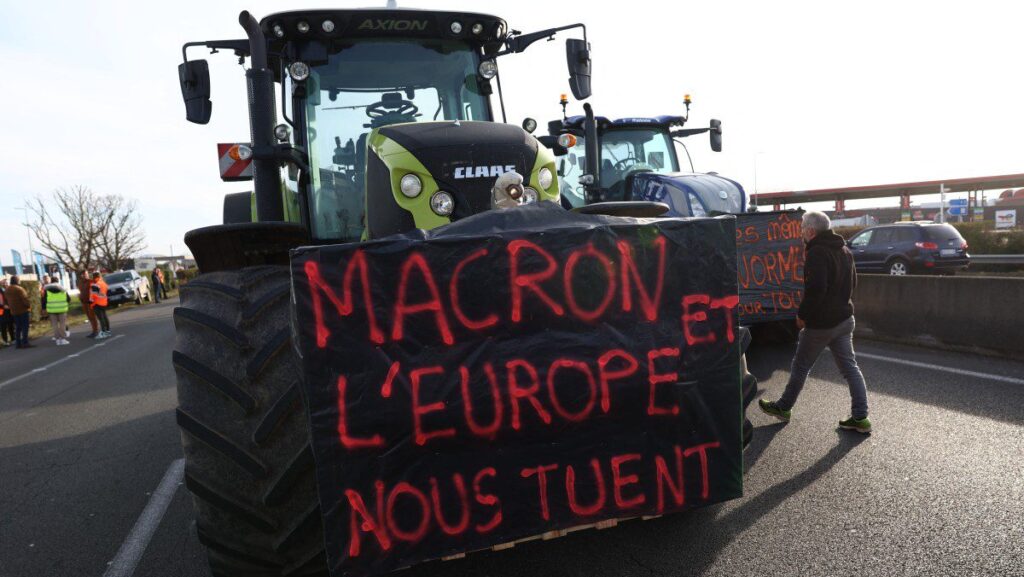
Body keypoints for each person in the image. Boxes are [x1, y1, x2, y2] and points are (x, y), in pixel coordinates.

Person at [759, 211, 872, 434]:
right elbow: (854, 282)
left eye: (802, 228)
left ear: (810, 231)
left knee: (801, 366)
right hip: (845, 319)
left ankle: (783, 408)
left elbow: (816, 289)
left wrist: (803, 315)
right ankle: (860, 417)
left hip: (822, 324)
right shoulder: (844, 250)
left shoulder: (816, 252)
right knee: (851, 368)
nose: (800, 232)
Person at [42, 278, 72, 346]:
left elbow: (44, 300)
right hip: (62, 309)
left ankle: (57, 339)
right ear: (58, 282)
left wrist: (44, 308)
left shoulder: (47, 290)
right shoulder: (63, 290)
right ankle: (63, 339)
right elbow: (68, 299)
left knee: (54, 325)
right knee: (62, 324)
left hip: (51, 309)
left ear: (51, 282)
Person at [6, 276, 33, 349]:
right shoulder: (20, 289)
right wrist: (29, 306)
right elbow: (25, 300)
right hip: (23, 310)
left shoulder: (7, 289)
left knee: (18, 327)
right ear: (17, 281)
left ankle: (18, 343)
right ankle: (25, 342)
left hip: (14, 311)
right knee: (25, 327)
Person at [90, 271, 111, 339]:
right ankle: (108, 331)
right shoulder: (103, 283)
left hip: (96, 303)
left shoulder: (95, 284)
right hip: (104, 302)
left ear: (94, 277)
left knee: (101, 318)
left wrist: (90, 301)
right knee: (105, 317)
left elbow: (93, 294)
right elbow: (106, 291)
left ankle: (103, 332)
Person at [79, 271, 99, 338]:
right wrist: (80, 296)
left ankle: (96, 331)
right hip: (84, 302)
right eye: (83, 274)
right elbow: (81, 291)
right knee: (89, 317)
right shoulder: (80, 283)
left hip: (90, 302)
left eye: (86, 274)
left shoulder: (91, 281)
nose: (85, 276)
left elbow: (96, 291)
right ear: (81, 275)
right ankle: (93, 331)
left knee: (92, 317)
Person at [0, 278, 14, 347]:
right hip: (1, 310)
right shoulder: (1, 290)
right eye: (4, 283)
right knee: (3, 325)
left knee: (10, 323)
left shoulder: (9, 289)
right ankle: (5, 341)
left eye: (6, 283)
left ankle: (13, 339)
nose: (5, 284)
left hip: (9, 309)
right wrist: (2, 306)